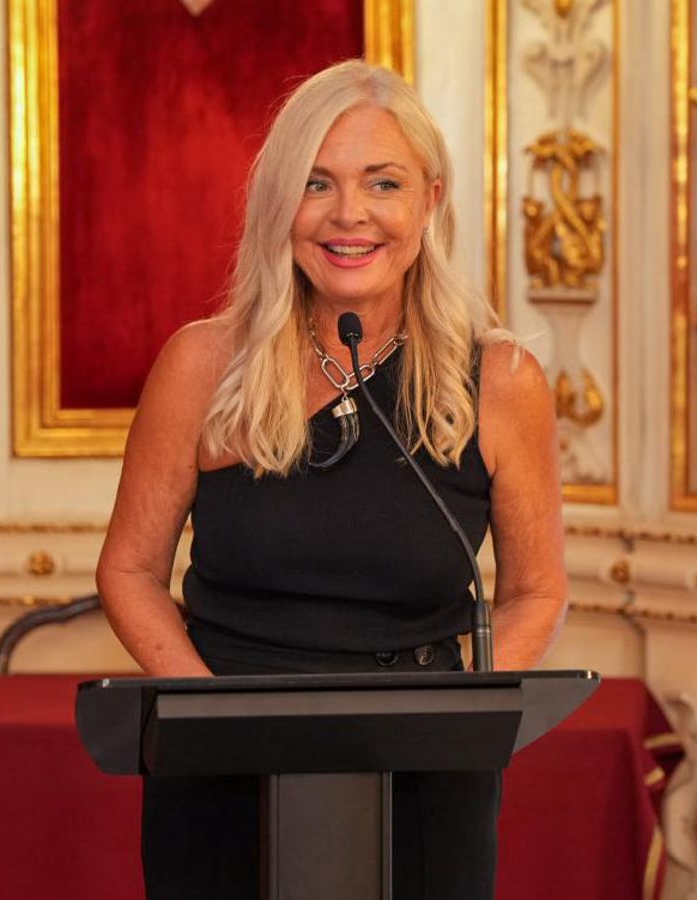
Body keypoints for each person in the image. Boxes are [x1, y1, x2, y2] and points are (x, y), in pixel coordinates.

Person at [96, 59, 567, 900]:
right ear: (280, 205)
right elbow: (129, 571)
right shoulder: (202, 365)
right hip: (223, 773)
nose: (349, 214)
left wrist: (451, 706)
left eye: (382, 183)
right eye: (317, 183)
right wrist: (216, 721)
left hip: (425, 777)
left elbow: (537, 591)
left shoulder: (502, 380)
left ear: (429, 200)